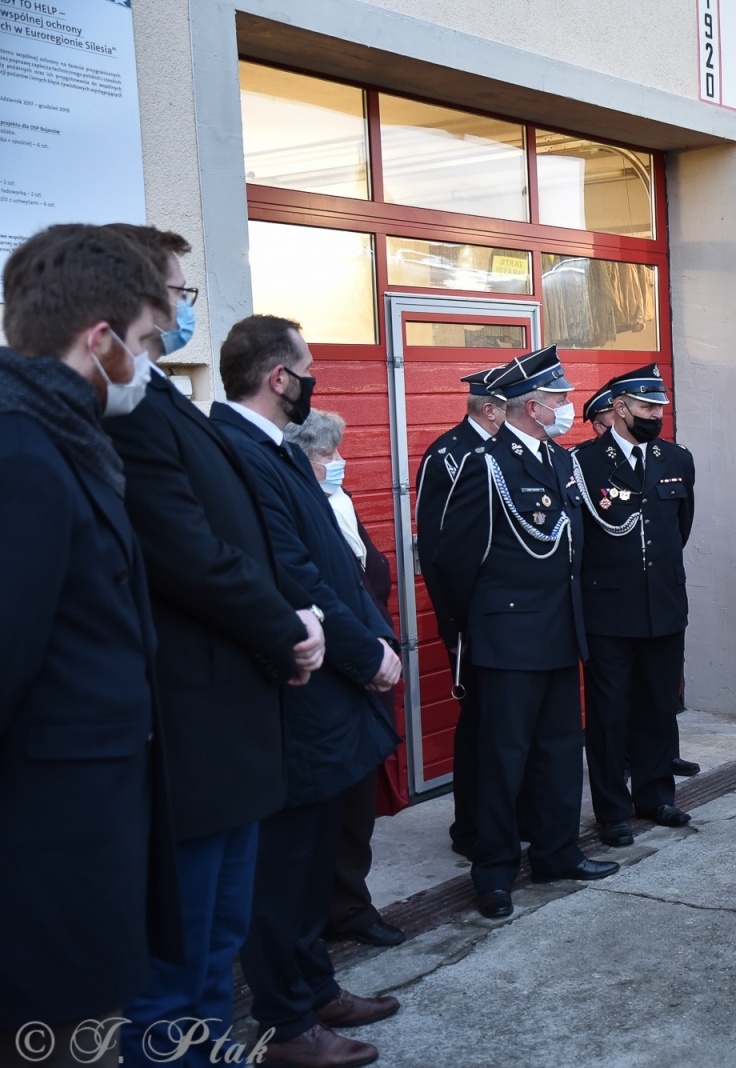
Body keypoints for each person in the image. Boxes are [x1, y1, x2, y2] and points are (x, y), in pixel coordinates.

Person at [102, 225, 330, 1066]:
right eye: (176, 287)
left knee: (211, 947)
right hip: (192, 720)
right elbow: (188, 552)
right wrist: (289, 630)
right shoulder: (124, 408)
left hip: (232, 715)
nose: (185, 303)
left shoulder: (161, 396)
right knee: (180, 957)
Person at [0, 223, 180, 1067]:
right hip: (48, 855)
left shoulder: (61, 437)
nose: (151, 362)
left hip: (81, 837)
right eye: (146, 342)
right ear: (99, 339)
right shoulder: (25, 453)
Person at [213, 315, 403, 1068]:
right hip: (303, 691)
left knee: (316, 857)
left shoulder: (274, 449)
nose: (314, 377)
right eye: (309, 367)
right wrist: (366, 656)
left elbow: (333, 562)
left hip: (334, 684)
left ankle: (316, 987)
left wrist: (376, 640)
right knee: (285, 871)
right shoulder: (240, 451)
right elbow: (295, 572)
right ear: (279, 377)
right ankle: (288, 1022)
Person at [431, 346, 619, 920]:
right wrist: (467, 632)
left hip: (560, 629)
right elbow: (452, 559)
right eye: (559, 398)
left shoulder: (561, 462)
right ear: (532, 407)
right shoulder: (486, 463)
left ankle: (557, 852)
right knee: (502, 756)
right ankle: (493, 871)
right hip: (508, 634)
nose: (568, 406)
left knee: (560, 751)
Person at [284, 409, 410, 953]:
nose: (339, 463)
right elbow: (324, 593)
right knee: (334, 804)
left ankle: (350, 903)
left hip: (368, 660)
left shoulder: (340, 501)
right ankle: (337, 910)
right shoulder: (295, 509)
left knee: (361, 801)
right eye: (325, 455)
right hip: (336, 668)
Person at [572, 363, 697, 847]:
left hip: (663, 603)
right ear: (620, 408)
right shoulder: (584, 462)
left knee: (659, 706)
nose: (656, 415)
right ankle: (612, 809)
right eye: (647, 407)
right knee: (609, 714)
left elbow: (679, 528)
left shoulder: (676, 459)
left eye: (660, 408)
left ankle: (656, 795)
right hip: (608, 609)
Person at [413, 368, 509, 862]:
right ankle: (469, 828)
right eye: (509, 404)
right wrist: (455, 625)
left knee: (506, 726)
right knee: (478, 725)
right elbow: (436, 548)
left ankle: (507, 819)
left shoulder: (501, 451)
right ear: (489, 409)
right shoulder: (448, 454)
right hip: (471, 620)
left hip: (506, 619)